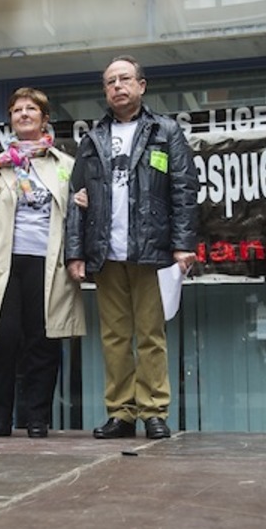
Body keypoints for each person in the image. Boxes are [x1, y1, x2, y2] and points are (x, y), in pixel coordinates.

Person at [65, 55, 198, 440]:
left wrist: (182, 245)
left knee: (150, 335)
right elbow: (77, 198)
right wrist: (76, 253)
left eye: (125, 79)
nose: (118, 87)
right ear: (105, 92)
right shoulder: (92, 139)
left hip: (152, 251)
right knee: (115, 337)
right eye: (110, 82)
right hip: (106, 253)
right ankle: (120, 413)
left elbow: (184, 191)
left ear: (142, 85)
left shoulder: (166, 131)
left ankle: (154, 411)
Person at [0, 87, 85, 438]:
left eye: (31, 109)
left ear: (44, 119)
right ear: (11, 120)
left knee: (43, 341)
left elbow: (77, 215)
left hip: (49, 265)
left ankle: (37, 418)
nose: (23, 114)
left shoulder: (65, 166)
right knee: (1, 339)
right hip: (2, 264)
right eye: (16, 110)